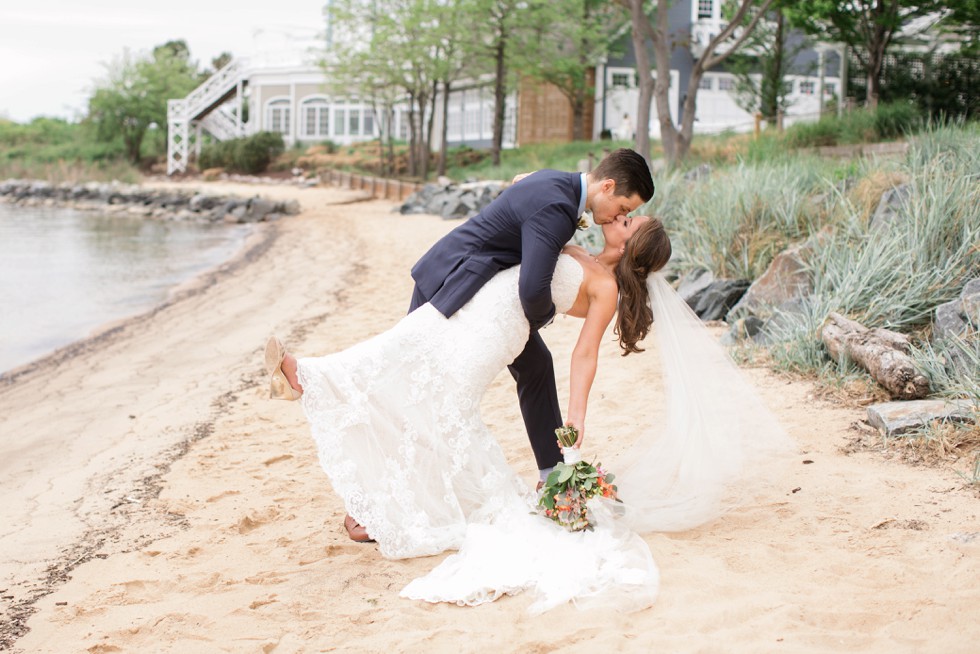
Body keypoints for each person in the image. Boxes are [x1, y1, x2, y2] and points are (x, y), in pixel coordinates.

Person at [265, 215, 671, 608]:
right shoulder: (582, 250)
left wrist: (576, 416)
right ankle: (311, 376)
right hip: (478, 303)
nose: (623, 216)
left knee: (447, 410)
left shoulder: (605, 287)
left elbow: (584, 354)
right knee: (406, 344)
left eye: (630, 222)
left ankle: (375, 500)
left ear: (632, 246)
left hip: (497, 330)